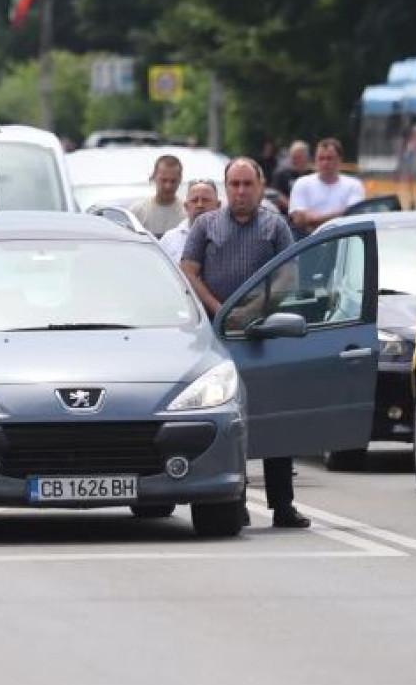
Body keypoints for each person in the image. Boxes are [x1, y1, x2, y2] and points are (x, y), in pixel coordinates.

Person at [181, 158, 310, 529]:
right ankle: (233, 501)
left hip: (265, 336)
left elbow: (288, 276)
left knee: (274, 422)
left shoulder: (275, 225)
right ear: (225, 188)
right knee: (229, 422)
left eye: (246, 184)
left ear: (260, 185)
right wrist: (221, 311)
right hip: (216, 339)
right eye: (234, 184)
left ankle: (282, 505)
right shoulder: (205, 225)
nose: (240, 192)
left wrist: (251, 311)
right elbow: (188, 272)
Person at [287, 137, 366, 235]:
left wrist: (312, 219)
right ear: (315, 160)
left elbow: (354, 216)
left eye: (329, 158)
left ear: (339, 160)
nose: (325, 163)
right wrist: (341, 214)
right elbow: (299, 220)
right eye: (321, 158)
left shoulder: (354, 185)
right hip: (309, 241)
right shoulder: (301, 183)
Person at [159, 178, 220, 260]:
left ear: (218, 205)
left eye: (205, 200)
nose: (200, 205)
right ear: (186, 206)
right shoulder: (169, 239)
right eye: (194, 200)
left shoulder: (228, 236)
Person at [129, 154, 187, 238]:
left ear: (180, 180)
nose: (168, 186)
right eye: (164, 180)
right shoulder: (137, 211)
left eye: (173, 181)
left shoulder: (187, 213)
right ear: (153, 177)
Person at [269, 140, 312, 210]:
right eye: (293, 157)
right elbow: (275, 193)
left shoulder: (312, 175)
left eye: (299, 157)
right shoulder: (281, 175)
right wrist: (293, 208)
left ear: (306, 158)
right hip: (287, 214)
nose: (295, 160)